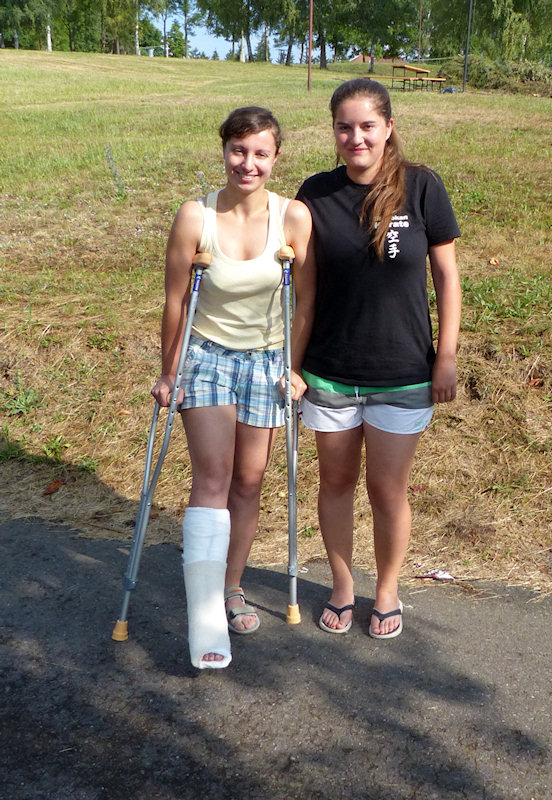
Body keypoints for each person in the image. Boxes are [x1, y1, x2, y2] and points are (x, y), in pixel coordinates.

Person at [296, 79, 461, 639]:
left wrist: (446, 356)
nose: (356, 137)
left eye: (367, 125)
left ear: (388, 126)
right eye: (344, 127)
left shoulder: (422, 187)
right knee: (335, 484)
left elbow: (447, 277)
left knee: (387, 490)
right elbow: (302, 289)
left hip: (404, 371)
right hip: (330, 372)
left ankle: (387, 591)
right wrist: (293, 364)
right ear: (334, 132)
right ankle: (343, 586)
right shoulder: (315, 193)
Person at [152, 107, 313, 669]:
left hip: (268, 359)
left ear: (275, 157)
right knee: (215, 477)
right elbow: (176, 299)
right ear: (223, 151)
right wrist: (169, 370)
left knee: (249, 479)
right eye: (238, 151)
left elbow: (306, 301)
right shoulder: (194, 216)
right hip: (208, 355)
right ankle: (204, 616)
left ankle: (230, 587)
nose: (248, 163)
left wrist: (295, 366)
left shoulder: (293, 218)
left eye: (260, 153)